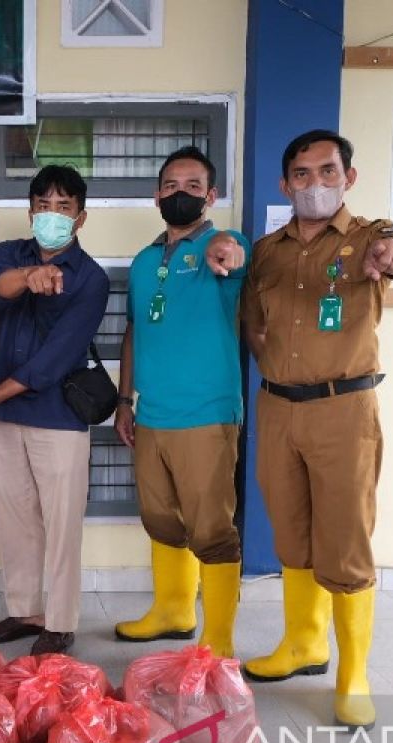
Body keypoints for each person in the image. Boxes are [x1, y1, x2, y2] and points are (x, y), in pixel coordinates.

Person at [241, 130, 393, 729]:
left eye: (326, 171)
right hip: (277, 407)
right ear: (284, 182)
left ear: (348, 177)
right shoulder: (268, 251)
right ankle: (303, 643)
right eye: (301, 174)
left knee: (344, 540)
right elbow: (253, 324)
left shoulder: (371, 236)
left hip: (344, 409)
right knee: (290, 532)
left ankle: (352, 674)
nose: (313, 184)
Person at [0, 165, 110, 656]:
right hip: (6, 420)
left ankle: (60, 621)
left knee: (61, 522)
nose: (52, 216)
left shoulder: (92, 279)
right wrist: (31, 275)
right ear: (30, 211)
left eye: (64, 208)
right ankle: (24, 610)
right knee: (14, 517)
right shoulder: (6, 254)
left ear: (80, 219)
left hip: (58, 416)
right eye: (43, 206)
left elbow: (57, 358)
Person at [112, 146, 249, 657]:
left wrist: (227, 254)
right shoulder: (146, 261)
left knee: (212, 529)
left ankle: (218, 644)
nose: (181, 194)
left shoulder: (222, 244)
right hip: (150, 415)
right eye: (171, 185)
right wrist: (125, 401)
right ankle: (172, 612)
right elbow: (133, 332)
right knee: (161, 517)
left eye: (193, 186)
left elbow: (234, 255)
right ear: (156, 195)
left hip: (207, 415)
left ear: (211, 196)